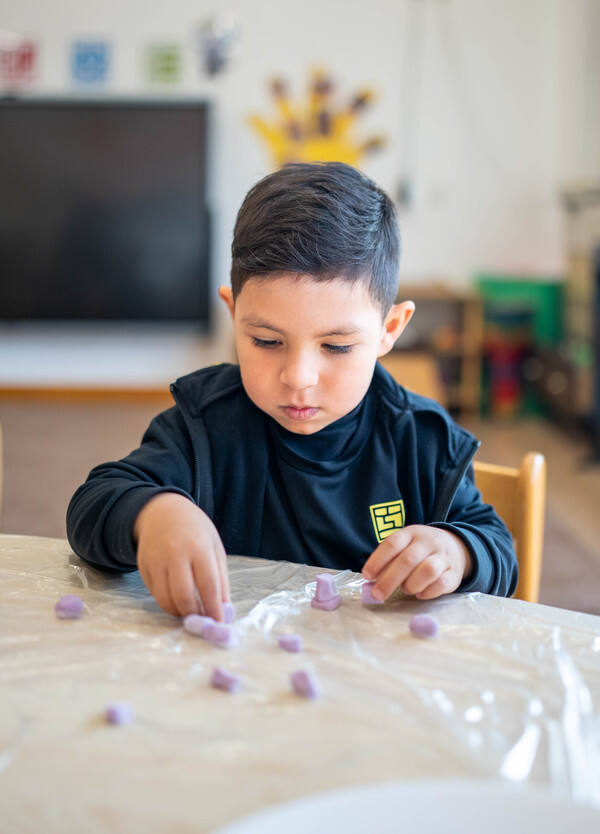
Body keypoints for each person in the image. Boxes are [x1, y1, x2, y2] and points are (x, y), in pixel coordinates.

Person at [67, 162, 517, 622]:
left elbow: (500, 552)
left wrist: (457, 551)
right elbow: (92, 506)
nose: (299, 377)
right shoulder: (204, 423)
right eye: (266, 341)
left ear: (390, 330)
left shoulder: (423, 441)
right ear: (234, 312)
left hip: (374, 675)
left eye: (336, 346)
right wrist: (154, 514)